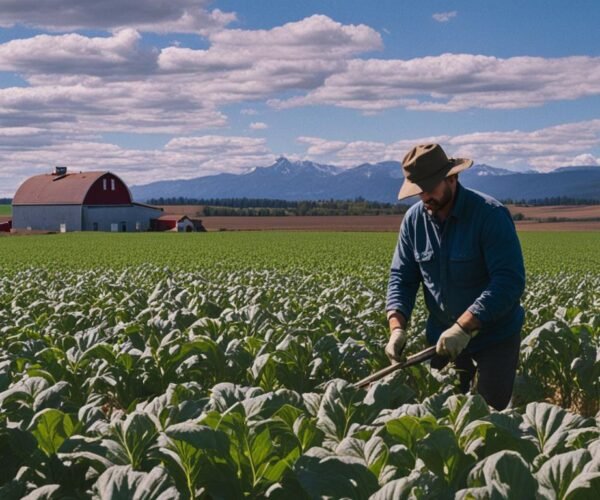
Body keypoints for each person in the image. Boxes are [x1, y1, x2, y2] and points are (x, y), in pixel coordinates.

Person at [385, 143, 525, 411]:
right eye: (419, 191)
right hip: (442, 340)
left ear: (452, 178)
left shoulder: (489, 214)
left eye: (429, 188)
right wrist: (397, 327)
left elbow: (509, 281)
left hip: (494, 337)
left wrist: (465, 326)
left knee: (488, 420)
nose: (424, 197)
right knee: (441, 420)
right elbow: (402, 278)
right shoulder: (414, 221)